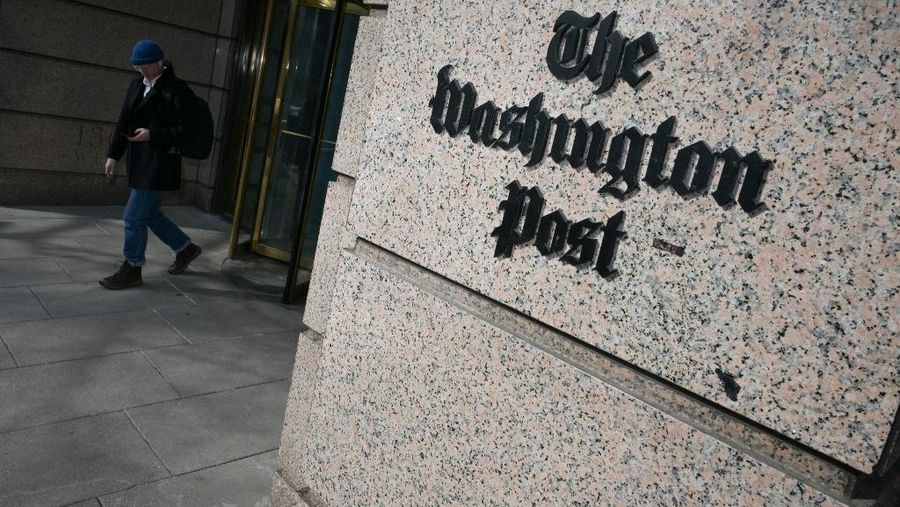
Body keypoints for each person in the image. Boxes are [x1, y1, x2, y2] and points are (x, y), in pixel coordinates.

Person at [100, 40, 202, 290]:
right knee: (149, 214)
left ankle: (132, 267)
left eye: (146, 65)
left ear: (160, 61)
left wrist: (152, 134)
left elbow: (186, 130)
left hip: (159, 162)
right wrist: (113, 155)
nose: (142, 71)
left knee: (133, 216)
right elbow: (124, 122)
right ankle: (185, 248)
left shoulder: (177, 90)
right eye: (138, 67)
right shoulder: (136, 85)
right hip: (139, 161)